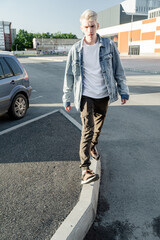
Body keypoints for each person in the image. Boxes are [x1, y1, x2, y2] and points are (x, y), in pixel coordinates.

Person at [62, 9, 129, 184]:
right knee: (88, 129)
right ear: (82, 28)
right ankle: (85, 169)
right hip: (85, 95)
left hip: (104, 94)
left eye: (92, 26)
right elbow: (69, 75)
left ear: (97, 26)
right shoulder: (76, 50)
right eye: (86, 27)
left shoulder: (108, 45)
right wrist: (67, 96)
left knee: (98, 128)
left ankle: (92, 146)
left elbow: (118, 70)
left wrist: (123, 90)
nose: (90, 30)